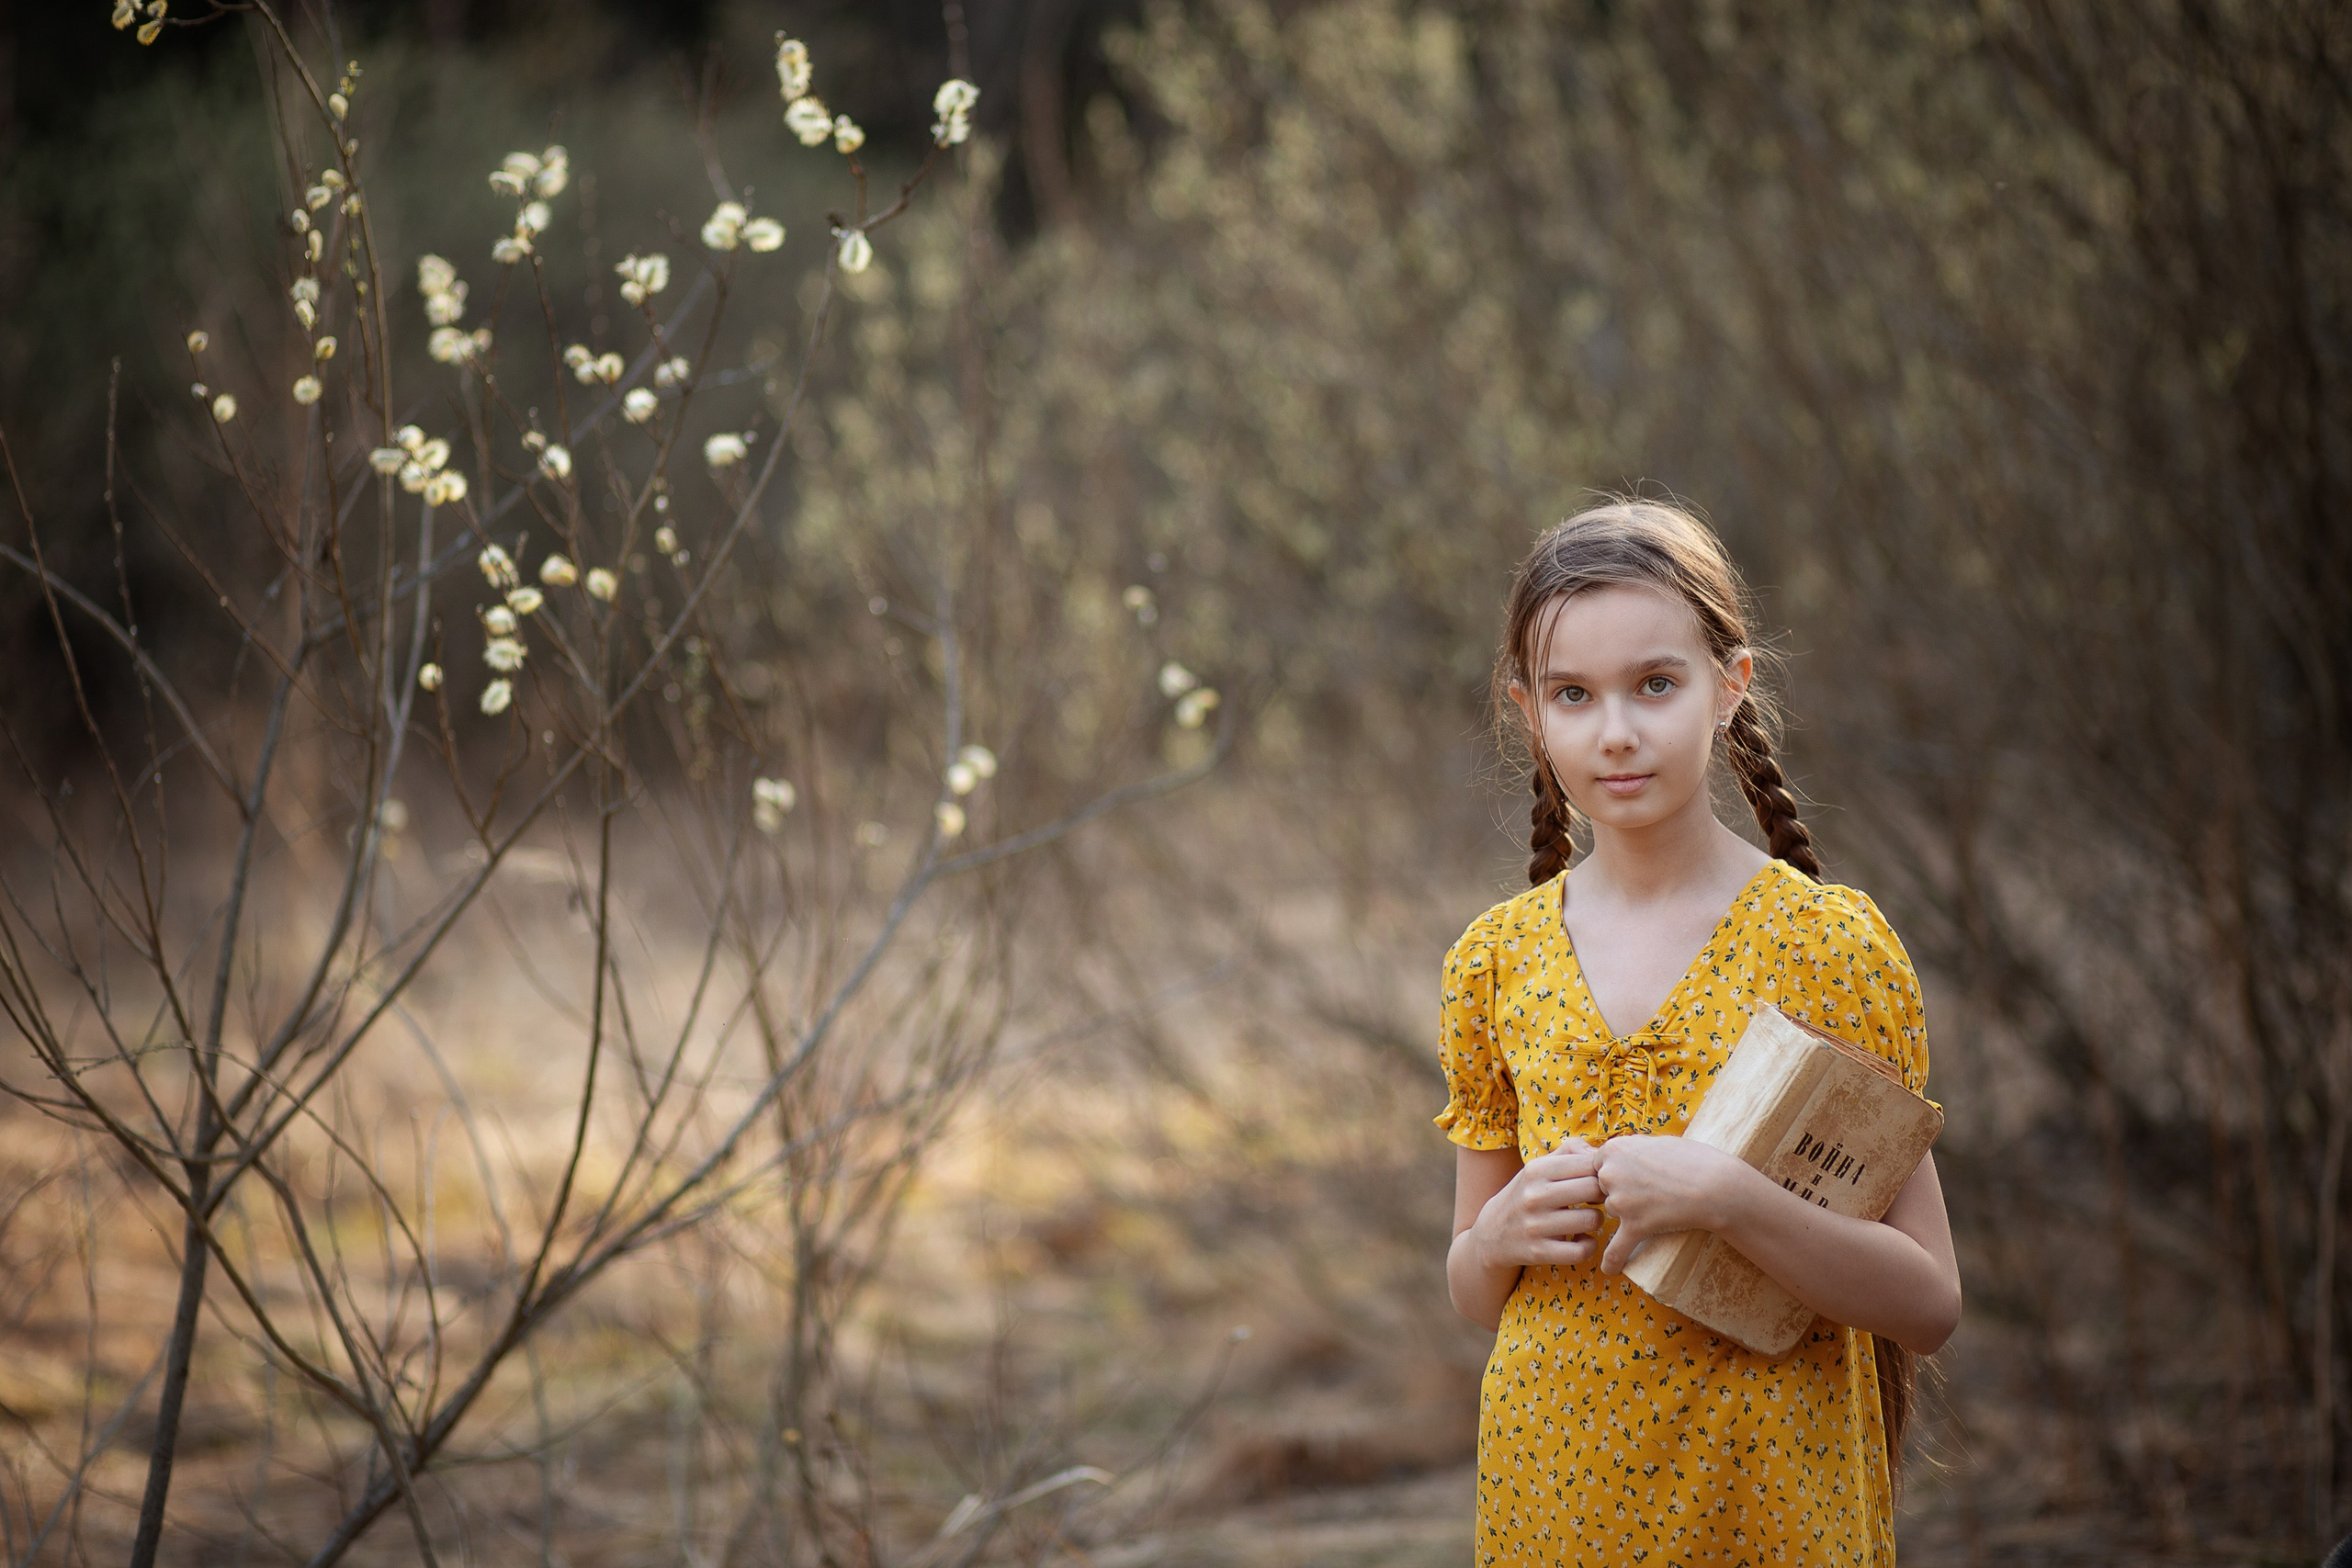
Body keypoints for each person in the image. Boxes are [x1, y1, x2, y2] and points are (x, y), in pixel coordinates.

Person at [1437, 499, 1962, 1565]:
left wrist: (1729, 1198)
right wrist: (1494, 1239)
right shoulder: (1495, 962)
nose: (1615, 732)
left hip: (1766, 1500)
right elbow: (1475, 1293)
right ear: (1527, 711)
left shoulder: (1826, 947)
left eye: (1654, 684)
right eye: (1573, 695)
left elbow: (1928, 1301)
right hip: (1556, 1501)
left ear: (1729, 687)